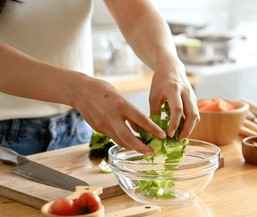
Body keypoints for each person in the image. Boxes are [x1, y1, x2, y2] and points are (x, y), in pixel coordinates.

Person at [0, 0, 199, 156]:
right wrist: (76, 90)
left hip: (78, 128)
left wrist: (168, 60)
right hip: (5, 138)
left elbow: (133, 10)